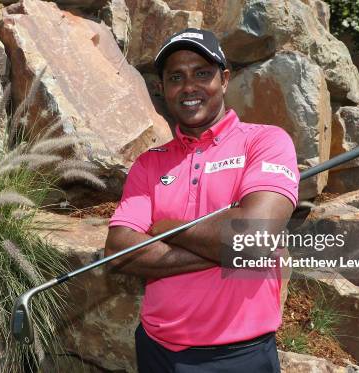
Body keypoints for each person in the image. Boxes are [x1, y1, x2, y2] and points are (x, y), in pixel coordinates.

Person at [105, 28, 299, 372]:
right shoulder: (150, 163)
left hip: (240, 356)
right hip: (157, 351)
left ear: (224, 80)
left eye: (202, 73)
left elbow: (252, 239)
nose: (189, 86)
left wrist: (165, 228)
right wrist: (230, 252)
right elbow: (118, 251)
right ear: (162, 89)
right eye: (176, 77)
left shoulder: (266, 142)